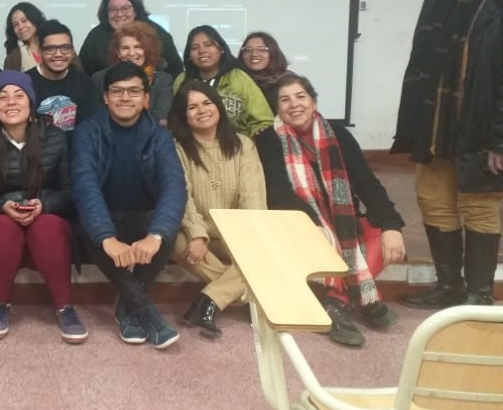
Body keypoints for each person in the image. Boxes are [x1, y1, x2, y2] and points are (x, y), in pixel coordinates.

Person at [393, 0, 503, 308]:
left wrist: (499, 140)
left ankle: (477, 294)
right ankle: (448, 287)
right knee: (434, 200)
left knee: (479, 205)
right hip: (436, 121)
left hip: (479, 126)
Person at [256, 75, 407, 347]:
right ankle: (361, 297)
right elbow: (278, 194)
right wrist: (312, 223)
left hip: (343, 222)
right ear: (277, 109)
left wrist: (391, 226)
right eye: (285, 100)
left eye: (300, 97)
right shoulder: (269, 140)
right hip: (299, 224)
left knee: (380, 236)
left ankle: (335, 302)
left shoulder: (338, 134)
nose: (294, 105)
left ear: (313, 102)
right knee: (322, 239)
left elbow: (367, 183)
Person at [0, 71, 87, 343]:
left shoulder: (54, 137)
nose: (11, 102)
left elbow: (69, 192)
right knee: (2, 227)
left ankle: (66, 307)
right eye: (3, 97)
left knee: (49, 226)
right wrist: (1, 206)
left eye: (19, 96)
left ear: (31, 104)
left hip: (45, 219)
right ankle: (0, 305)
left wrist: (45, 204)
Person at [72, 62, 187, 349]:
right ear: (105, 97)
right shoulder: (87, 132)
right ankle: (149, 315)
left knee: (166, 231)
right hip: (105, 218)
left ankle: (128, 306)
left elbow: (174, 188)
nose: (125, 97)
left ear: (146, 98)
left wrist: (156, 235)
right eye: (117, 91)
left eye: (134, 91)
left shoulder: (160, 136)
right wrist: (106, 237)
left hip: (143, 219)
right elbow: (86, 188)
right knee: (90, 227)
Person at [167, 81, 266, 337]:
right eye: (192, 107)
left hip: (237, 233)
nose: (202, 110)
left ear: (218, 106)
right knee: (174, 241)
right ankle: (248, 294)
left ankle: (209, 300)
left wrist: (248, 238)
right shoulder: (176, 148)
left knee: (262, 250)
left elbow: (252, 196)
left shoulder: (243, 144)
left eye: (207, 103)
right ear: (183, 115)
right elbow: (182, 194)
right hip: (198, 232)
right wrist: (197, 233)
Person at [173, 25, 273, 137]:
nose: (202, 51)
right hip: (191, 147)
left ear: (221, 49)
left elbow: (264, 120)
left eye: (208, 45)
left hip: (236, 148)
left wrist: (250, 142)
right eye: (195, 48)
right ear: (189, 55)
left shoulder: (238, 78)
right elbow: (174, 120)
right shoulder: (182, 80)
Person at [78, 0, 183, 78]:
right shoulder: (95, 37)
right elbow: (83, 74)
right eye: (113, 9)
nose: (119, 14)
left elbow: (175, 71)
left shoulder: (158, 34)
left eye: (125, 8)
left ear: (136, 10)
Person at [92, 21, 174, 125]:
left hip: (151, 136)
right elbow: (99, 117)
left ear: (147, 50)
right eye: (125, 48)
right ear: (118, 52)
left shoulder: (163, 80)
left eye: (137, 47)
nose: (131, 53)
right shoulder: (100, 78)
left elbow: (160, 117)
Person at [26, 19, 100, 131]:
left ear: (72, 51)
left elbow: (90, 130)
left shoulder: (85, 84)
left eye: (65, 48)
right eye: (50, 49)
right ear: (40, 51)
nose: (59, 54)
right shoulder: (25, 84)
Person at [236, 30, 294, 111]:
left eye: (262, 50)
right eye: (248, 50)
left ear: (273, 52)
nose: (254, 54)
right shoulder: (235, 80)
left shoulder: (289, 81)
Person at [3, 2, 46, 71]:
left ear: (35, 19)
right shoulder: (13, 58)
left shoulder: (53, 44)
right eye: (15, 24)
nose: (20, 27)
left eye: (24, 21)